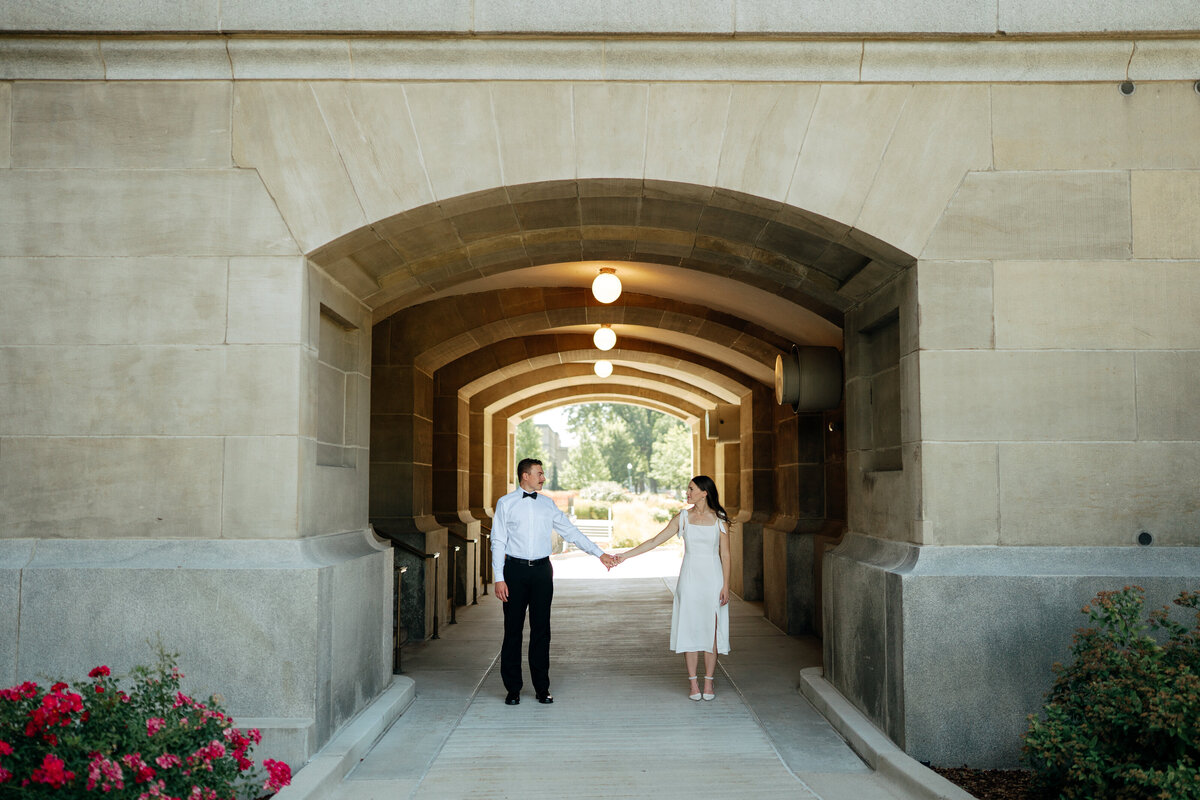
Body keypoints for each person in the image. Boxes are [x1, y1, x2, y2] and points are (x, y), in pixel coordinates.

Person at [491, 458, 619, 706]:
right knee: (513, 631)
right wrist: (499, 578)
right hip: (514, 572)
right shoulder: (506, 504)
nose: (543, 478)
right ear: (525, 476)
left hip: (541, 572)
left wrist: (599, 553)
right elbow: (498, 541)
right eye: (539, 473)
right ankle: (513, 689)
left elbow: (571, 532)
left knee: (541, 631)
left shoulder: (548, 505)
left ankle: (542, 688)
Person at [613, 475, 731, 701]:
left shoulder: (719, 520)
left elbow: (725, 555)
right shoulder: (683, 518)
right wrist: (623, 557)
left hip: (713, 580)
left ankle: (708, 682)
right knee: (690, 628)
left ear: (704, 492)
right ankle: (693, 684)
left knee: (711, 631)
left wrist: (726, 584)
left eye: (691, 489)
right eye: (688, 489)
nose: (687, 493)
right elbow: (654, 541)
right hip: (689, 579)